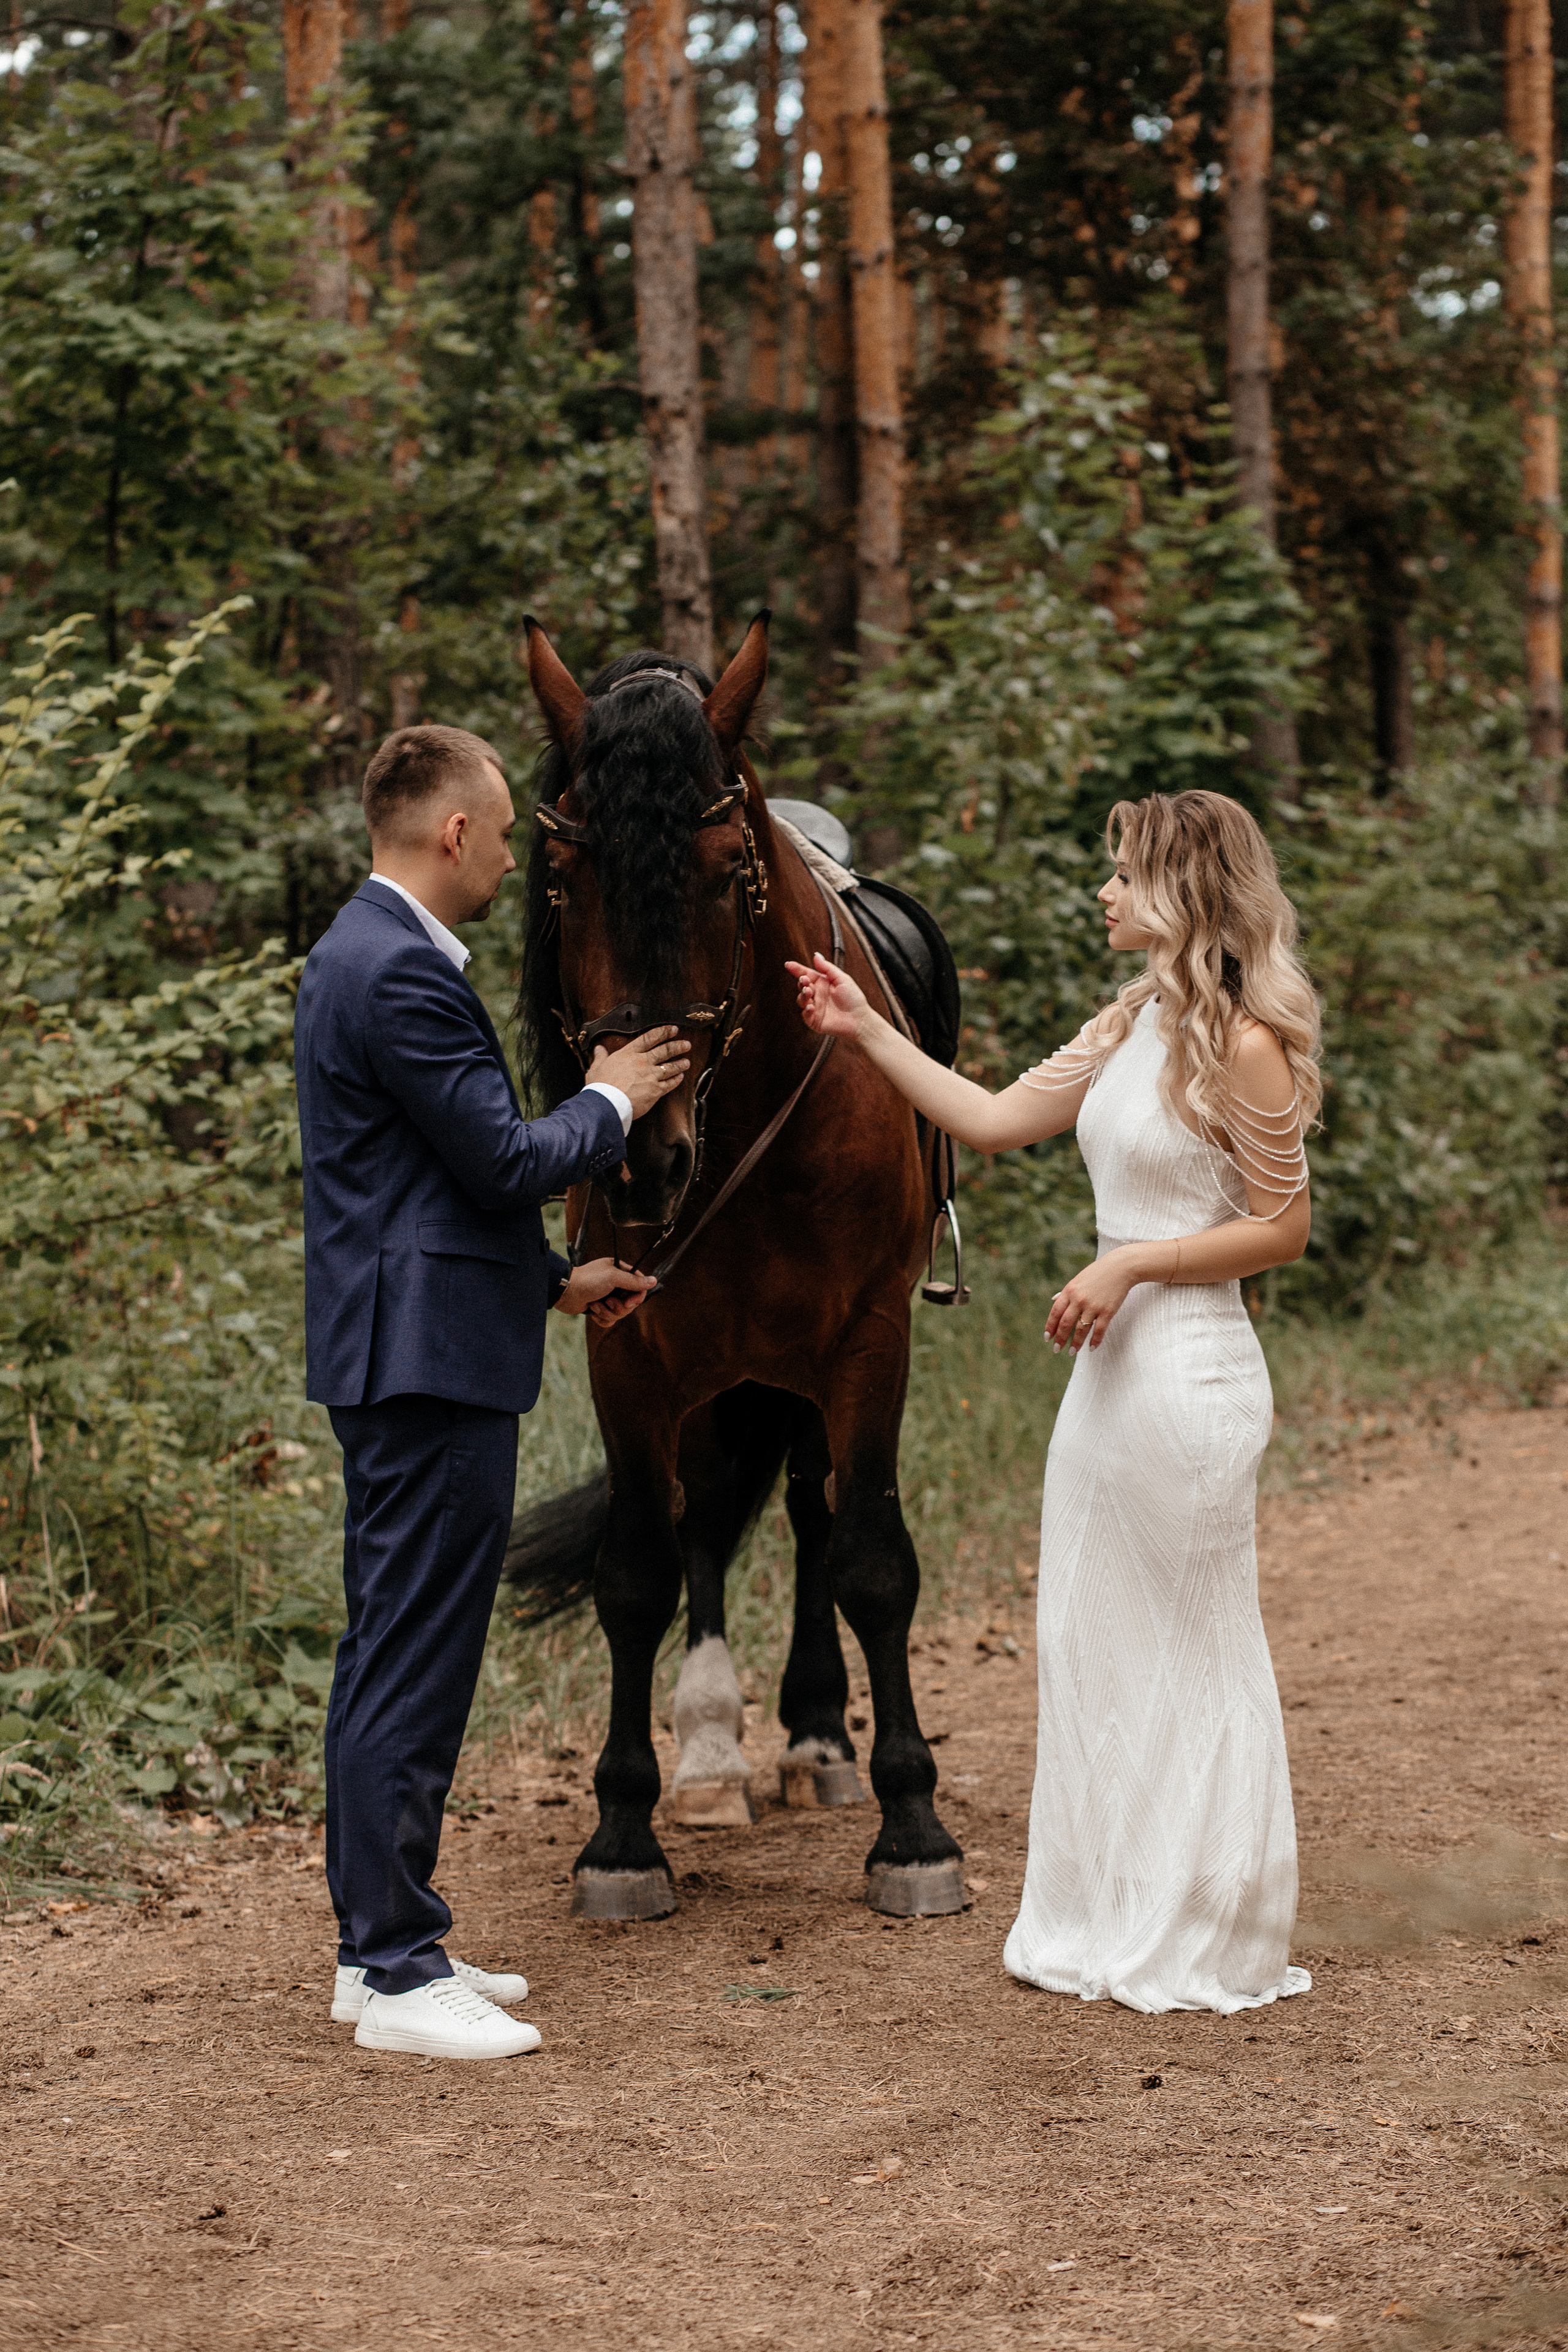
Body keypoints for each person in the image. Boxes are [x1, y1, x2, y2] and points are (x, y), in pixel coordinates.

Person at [788, 789, 1320, 2016]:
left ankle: (1210, 1927)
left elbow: (1280, 1227)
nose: (1104, 893)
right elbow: (986, 1119)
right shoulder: (1134, 1018)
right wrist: (866, 1027)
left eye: (1123, 875)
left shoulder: (1244, 1039)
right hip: (1104, 1387)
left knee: (1192, 1647)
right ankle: (1103, 1912)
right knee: (1092, 1640)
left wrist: (1131, 1261)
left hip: (1188, 1372)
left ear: (1181, 893)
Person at [295, 724, 689, 2061]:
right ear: (452, 832)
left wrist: (550, 1285)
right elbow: (502, 1157)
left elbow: (419, 1195)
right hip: (424, 1370)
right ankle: (401, 1979)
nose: (515, 854)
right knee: (412, 1658)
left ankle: (375, 1945)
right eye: (509, 832)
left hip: (424, 1339)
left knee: (390, 1648)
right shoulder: (396, 968)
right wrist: (613, 1097)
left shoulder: (365, 952)